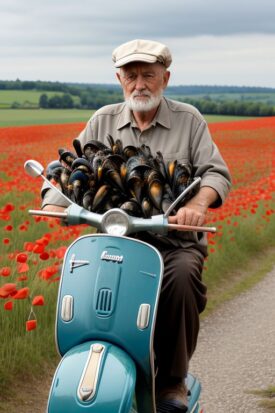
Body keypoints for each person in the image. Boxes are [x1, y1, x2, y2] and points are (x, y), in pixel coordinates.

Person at [42, 39, 231, 412]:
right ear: (119, 79)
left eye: (148, 75)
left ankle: (173, 380)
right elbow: (68, 171)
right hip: (115, 239)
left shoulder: (189, 120)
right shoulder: (103, 119)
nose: (139, 84)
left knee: (181, 276)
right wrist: (54, 203)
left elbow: (216, 173)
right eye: (131, 76)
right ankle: (92, 364)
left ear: (165, 78)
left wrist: (197, 204)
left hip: (173, 240)